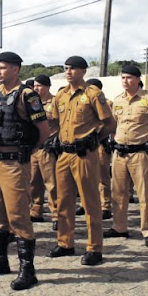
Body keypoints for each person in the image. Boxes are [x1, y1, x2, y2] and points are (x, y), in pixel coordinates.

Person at [0, 52, 50, 291]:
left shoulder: (27, 95)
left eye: (3, 68)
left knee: (18, 216)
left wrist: (26, 151)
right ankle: (0, 260)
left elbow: (43, 131)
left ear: (16, 70)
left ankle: (28, 271)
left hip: (15, 164)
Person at [49, 56, 115, 266]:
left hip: (84, 154)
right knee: (64, 201)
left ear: (84, 71)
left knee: (90, 202)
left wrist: (95, 139)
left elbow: (110, 123)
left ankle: (94, 248)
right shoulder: (60, 95)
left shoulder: (92, 94)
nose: (69, 72)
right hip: (64, 154)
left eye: (73, 69)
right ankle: (65, 243)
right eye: (66, 68)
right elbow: (53, 122)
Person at [106, 65, 148, 248]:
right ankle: (119, 227)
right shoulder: (117, 100)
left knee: (144, 194)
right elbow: (113, 124)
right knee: (118, 193)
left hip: (140, 153)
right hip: (119, 152)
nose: (126, 81)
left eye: (129, 78)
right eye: (123, 77)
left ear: (138, 79)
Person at [29, 74, 60, 231]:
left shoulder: (54, 102)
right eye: (34, 86)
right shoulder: (33, 103)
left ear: (47, 86)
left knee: (52, 184)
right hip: (34, 148)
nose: (36, 89)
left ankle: (56, 215)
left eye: (39, 86)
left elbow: (61, 122)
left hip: (48, 149)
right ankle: (36, 210)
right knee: (34, 183)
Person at [86, 78, 114, 220]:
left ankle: (105, 205)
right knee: (88, 177)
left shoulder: (107, 103)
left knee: (103, 176)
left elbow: (111, 124)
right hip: (87, 145)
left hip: (100, 143)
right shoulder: (84, 101)